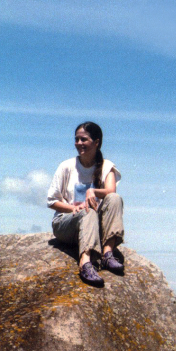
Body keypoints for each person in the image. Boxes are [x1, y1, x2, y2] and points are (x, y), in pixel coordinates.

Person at [46, 121, 124, 287]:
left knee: (115, 199)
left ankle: (107, 254)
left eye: (84, 139)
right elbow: (52, 201)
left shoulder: (106, 167)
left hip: (94, 227)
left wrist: (93, 191)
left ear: (96, 142)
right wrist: (74, 208)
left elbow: (111, 191)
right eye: (77, 139)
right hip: (67, 224)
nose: (79, 143)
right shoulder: (66, 167)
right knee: (88, 211)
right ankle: (85, 263)